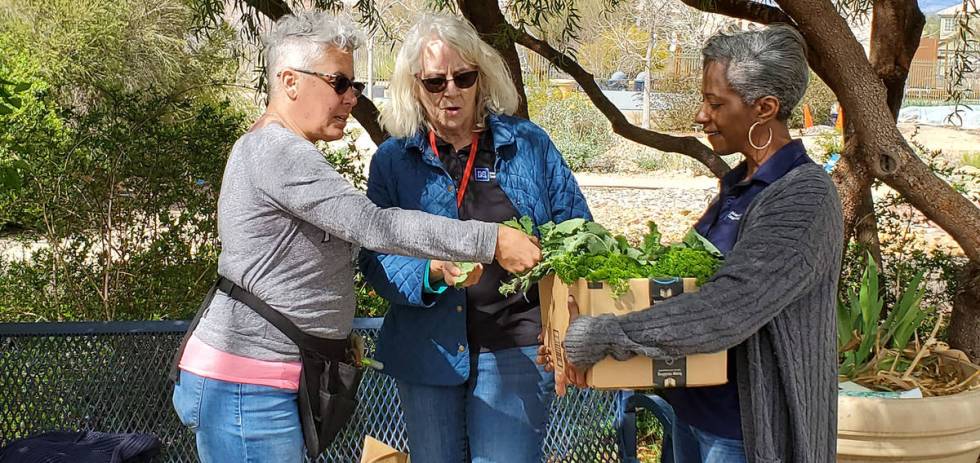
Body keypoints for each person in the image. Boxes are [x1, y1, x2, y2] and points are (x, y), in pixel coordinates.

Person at [170, 11, 540, 463]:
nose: (351, 98)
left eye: (355, 87)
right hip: (249, 386)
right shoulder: (278, 152)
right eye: (340, 83)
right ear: (290, 82)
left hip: (271, 377)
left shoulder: (284, 150)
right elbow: (376, 227)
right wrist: (491, 240)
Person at [553, 24, 844, 463]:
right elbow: (680, 285)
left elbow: (727, 307)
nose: (701, 116)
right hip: (693, 416)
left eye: (715, 103)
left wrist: (610, 333)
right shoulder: (738, 186)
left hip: (744, 435)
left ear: (764, 108)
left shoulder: (802, 197)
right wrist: (575, 325)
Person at [358, 13, 591, 463]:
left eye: (463, 77)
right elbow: (375, 257)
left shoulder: (528, 143)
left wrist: (573, 320)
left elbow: (577, 228)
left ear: (481, 79)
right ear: (413, 86)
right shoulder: (392, 160)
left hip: (517, 346)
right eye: (434, 81)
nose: (451, 91)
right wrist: (430, 273)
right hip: (429, 351)